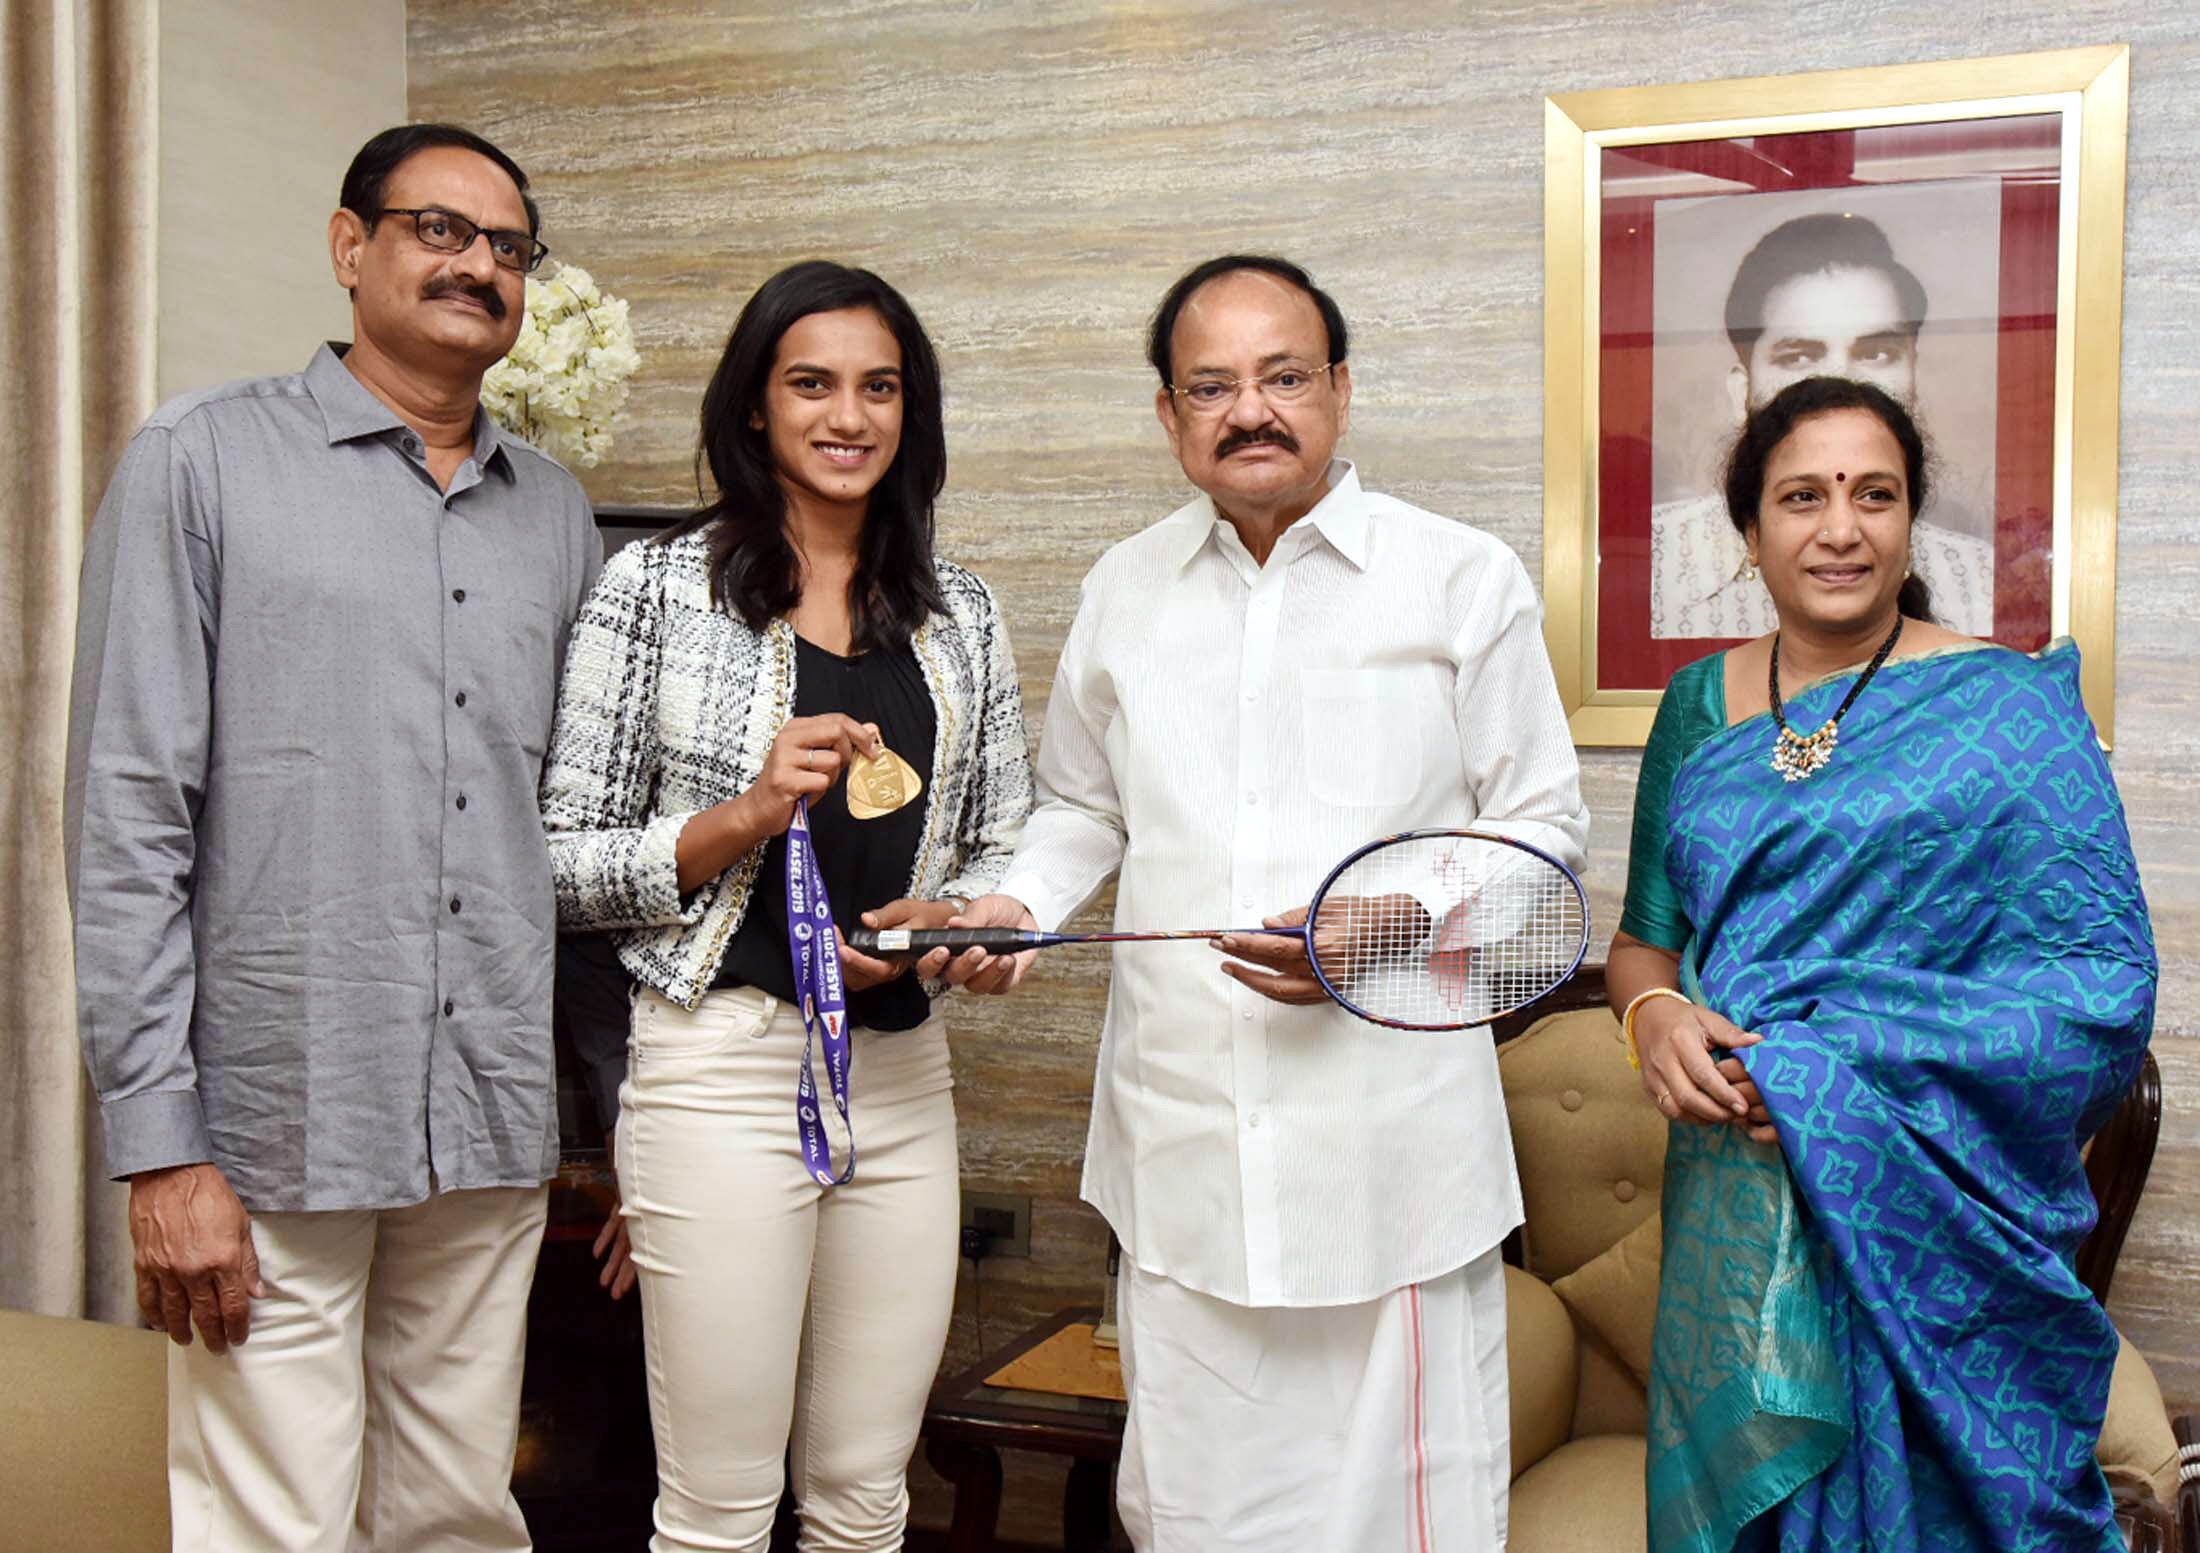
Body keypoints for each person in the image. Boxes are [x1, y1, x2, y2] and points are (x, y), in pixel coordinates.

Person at [946, 254, 1589, 1550]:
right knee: (1193, 1511)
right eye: (1214, 385)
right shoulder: (1124, 588)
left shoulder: (1461, 577)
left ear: (1341, 393)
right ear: (1170, 415)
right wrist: (1014, 904)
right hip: (1181, 1153)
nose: (1253, 411)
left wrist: (1398, 915)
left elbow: (1544, 833)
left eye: (1285, 376)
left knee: (1392, 1520)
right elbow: (1084, 807)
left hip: (1389, 1166)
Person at [63, 124, 602, 1551]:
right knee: (270, 1523)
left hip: (486, 1106)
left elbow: (575, 826)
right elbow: (128, 810)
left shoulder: (553, 514)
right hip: (271, 1110)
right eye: (440, 228)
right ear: (349, 244)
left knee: (457, 1512)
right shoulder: (203, 459)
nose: (477, 264)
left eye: (507, 246)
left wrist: (598, 1112)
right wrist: (159, 1146)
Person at [1609, 375, 2156, 1550]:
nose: (1840, 527)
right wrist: (1653, 1013)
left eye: (1875, 494)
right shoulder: (1697, 708)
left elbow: (2097, 993)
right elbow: (1642, 942)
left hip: (1936, 1198)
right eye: (1802, 496)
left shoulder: (2010, 709)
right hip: (1737, 1196)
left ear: (1912, 522)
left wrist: (1829, 1065)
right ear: (1749, 530)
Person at [537, 260, 1032, 1553]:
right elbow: (556, 864)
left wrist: (966, 919)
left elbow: (1003, 837)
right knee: (717, 1511)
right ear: (755, 408)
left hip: (903, 1083)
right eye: (811, 382)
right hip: (721, 1074)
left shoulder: (961, 611)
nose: (848, 414)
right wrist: (747, 815)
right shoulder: (653, 592)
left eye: (880, 387)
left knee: (870, 1499)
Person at [1650, 213, 1995, 639]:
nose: (1841, 382)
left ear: (1914, 377)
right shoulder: (1655, 560)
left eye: (1877, 354)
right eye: (1798, 357)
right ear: (1742, 390)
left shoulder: (1980, 578)